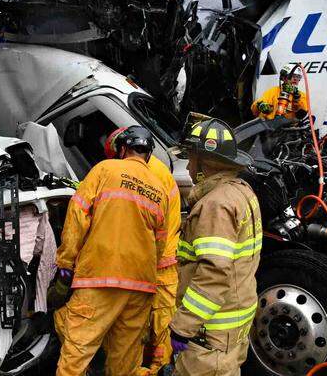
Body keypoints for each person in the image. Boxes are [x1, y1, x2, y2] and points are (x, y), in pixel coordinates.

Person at [51, 126, 169, 376]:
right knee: (124, 363)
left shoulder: (105, 169)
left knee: (76, 351)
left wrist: (66, 263)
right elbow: (159, 243)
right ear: (148, 154)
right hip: (140, 286)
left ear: (122, 149)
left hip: (100, 277)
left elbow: (77, 216)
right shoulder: (159, 189)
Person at [169, 117, 262, 376]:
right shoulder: (242, 192)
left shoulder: (216, 205)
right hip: (234, 322)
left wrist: (184, 325)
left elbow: (214, 273)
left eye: (190, 159)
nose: (188, 166)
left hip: (210, 332)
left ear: (204, 164)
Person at [103, 127, 181, 375]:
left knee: (155, 326)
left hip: (158, 261)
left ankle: (157, 369)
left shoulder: (145, 174)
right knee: (156, 324)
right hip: (161, 258)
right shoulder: (155, 168)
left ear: (123, 149)